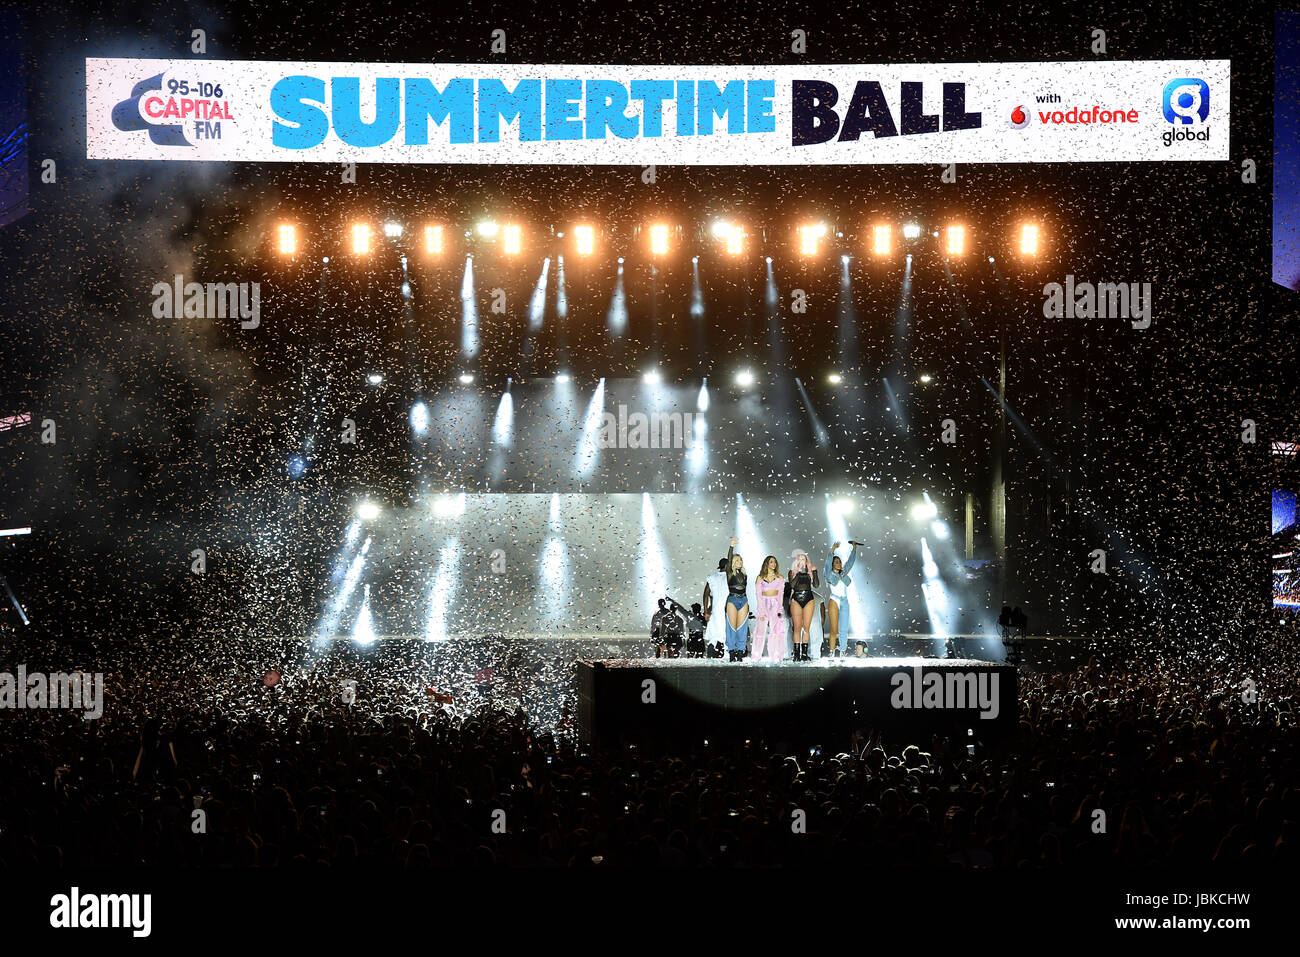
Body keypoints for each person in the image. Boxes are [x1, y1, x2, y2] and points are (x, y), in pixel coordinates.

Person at [823, 541, 860, 657]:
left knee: (843, 629)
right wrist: (833, 549)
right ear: (833, 564)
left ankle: (842, 651)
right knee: (834, 630)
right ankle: (832, 652)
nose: (839, 564)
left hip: (844, 601)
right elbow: (828, 562)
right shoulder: (829, 574)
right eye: (837, 562)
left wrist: (854, 548)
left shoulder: (843, 572)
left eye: (839, 562)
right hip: (834, 600)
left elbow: (850, 562)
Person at [751, 556, 785, 662]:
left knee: (776, 630)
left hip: (775, 603)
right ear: (767, 564)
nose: (773, 564)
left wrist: (779, 609)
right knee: (760, 631)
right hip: (764, 603)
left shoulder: (780, 578)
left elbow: (781, 594)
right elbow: (758, 594)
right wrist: (761, 610)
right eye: (771, 562)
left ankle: (776, 655)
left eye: (775, 562)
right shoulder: (760, 578)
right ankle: (756, 656)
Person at [787, 551, 819, 661]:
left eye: (803, 559)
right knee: (797, 627)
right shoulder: (792, 572)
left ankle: (804, 655)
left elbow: (816, 585)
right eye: (799, 559)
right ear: (796, 561)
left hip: (808, 598)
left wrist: (814, 572)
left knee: (806, 627)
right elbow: (792, 585)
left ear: (806, 561)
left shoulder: (810, 572)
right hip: (796, 598)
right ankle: (796, 655)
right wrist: (799, 572)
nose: (801, 561)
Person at [723, 538, 749, 662]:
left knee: (742, 628)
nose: (740, 561)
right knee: (732, 627)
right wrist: (731, 547)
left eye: (741, 559)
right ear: (733, 562)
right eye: (737, 560)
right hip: (732, 600)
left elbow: (745, 589)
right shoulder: (729, 573)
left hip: (743, 600)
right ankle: (732, 652)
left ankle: (740, 652)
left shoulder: (744, 575)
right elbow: (728, 560)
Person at [702, 558, 728, 652]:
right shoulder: (729, 577)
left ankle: (711, 653)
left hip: (715, 609)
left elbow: (705, 594)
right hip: (727, 609)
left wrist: (706, 611)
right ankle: (726, 656)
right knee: (726, 634)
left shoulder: (712, 578)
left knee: (714, 635)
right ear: (726, 566)